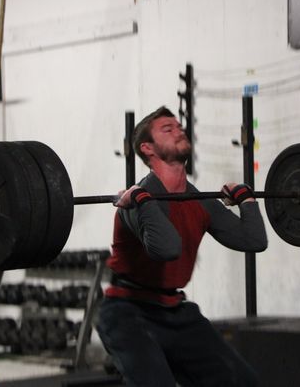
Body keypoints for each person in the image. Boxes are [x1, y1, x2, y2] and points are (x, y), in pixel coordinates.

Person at [96, 106, 268, 387]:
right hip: (127, 312)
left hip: (175, 309)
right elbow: (167, 248)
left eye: (179, 126)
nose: (179, 131)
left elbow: (253, 241)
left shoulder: (199, 201)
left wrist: (247, 202)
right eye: (168, 129)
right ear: (148, 148)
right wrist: (142, 199)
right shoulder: (134, 202)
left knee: (242, 381)